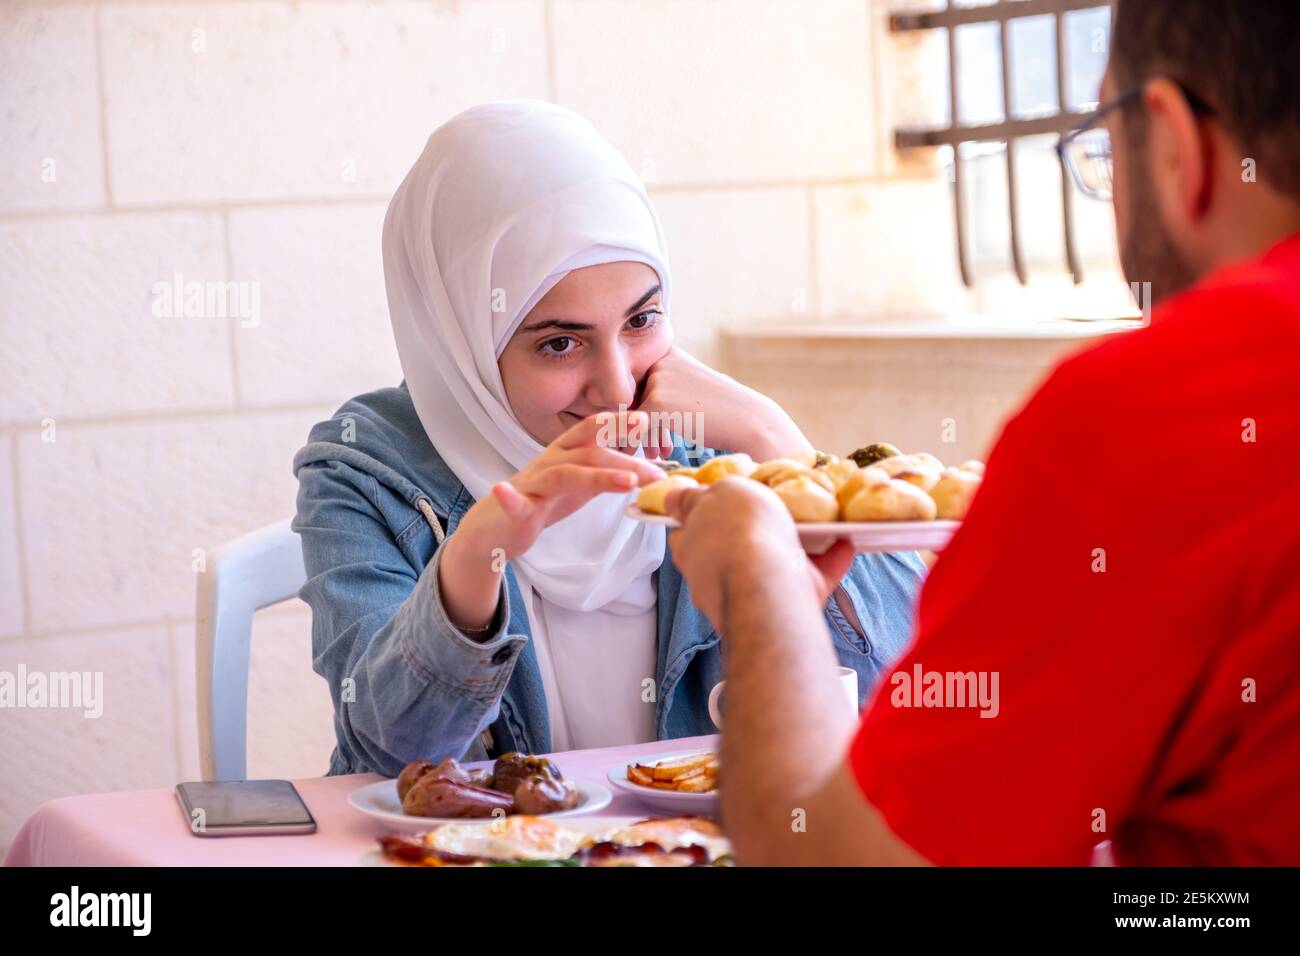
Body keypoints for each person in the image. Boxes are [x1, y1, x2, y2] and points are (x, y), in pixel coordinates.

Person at [663, 0, 1300, 865]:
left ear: (1173, 137)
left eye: (1106, 142)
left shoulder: (1155, 411)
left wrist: (757, 570)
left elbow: (835, 858)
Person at [291, 100, 926, 777]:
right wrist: (479, 551)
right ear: (461, 342)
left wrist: (772, 434)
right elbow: (388, 755)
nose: (619, 388)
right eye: (560, 343)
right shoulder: (364, 472)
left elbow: (901, 685)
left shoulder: (711, 451)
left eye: (642, 318)